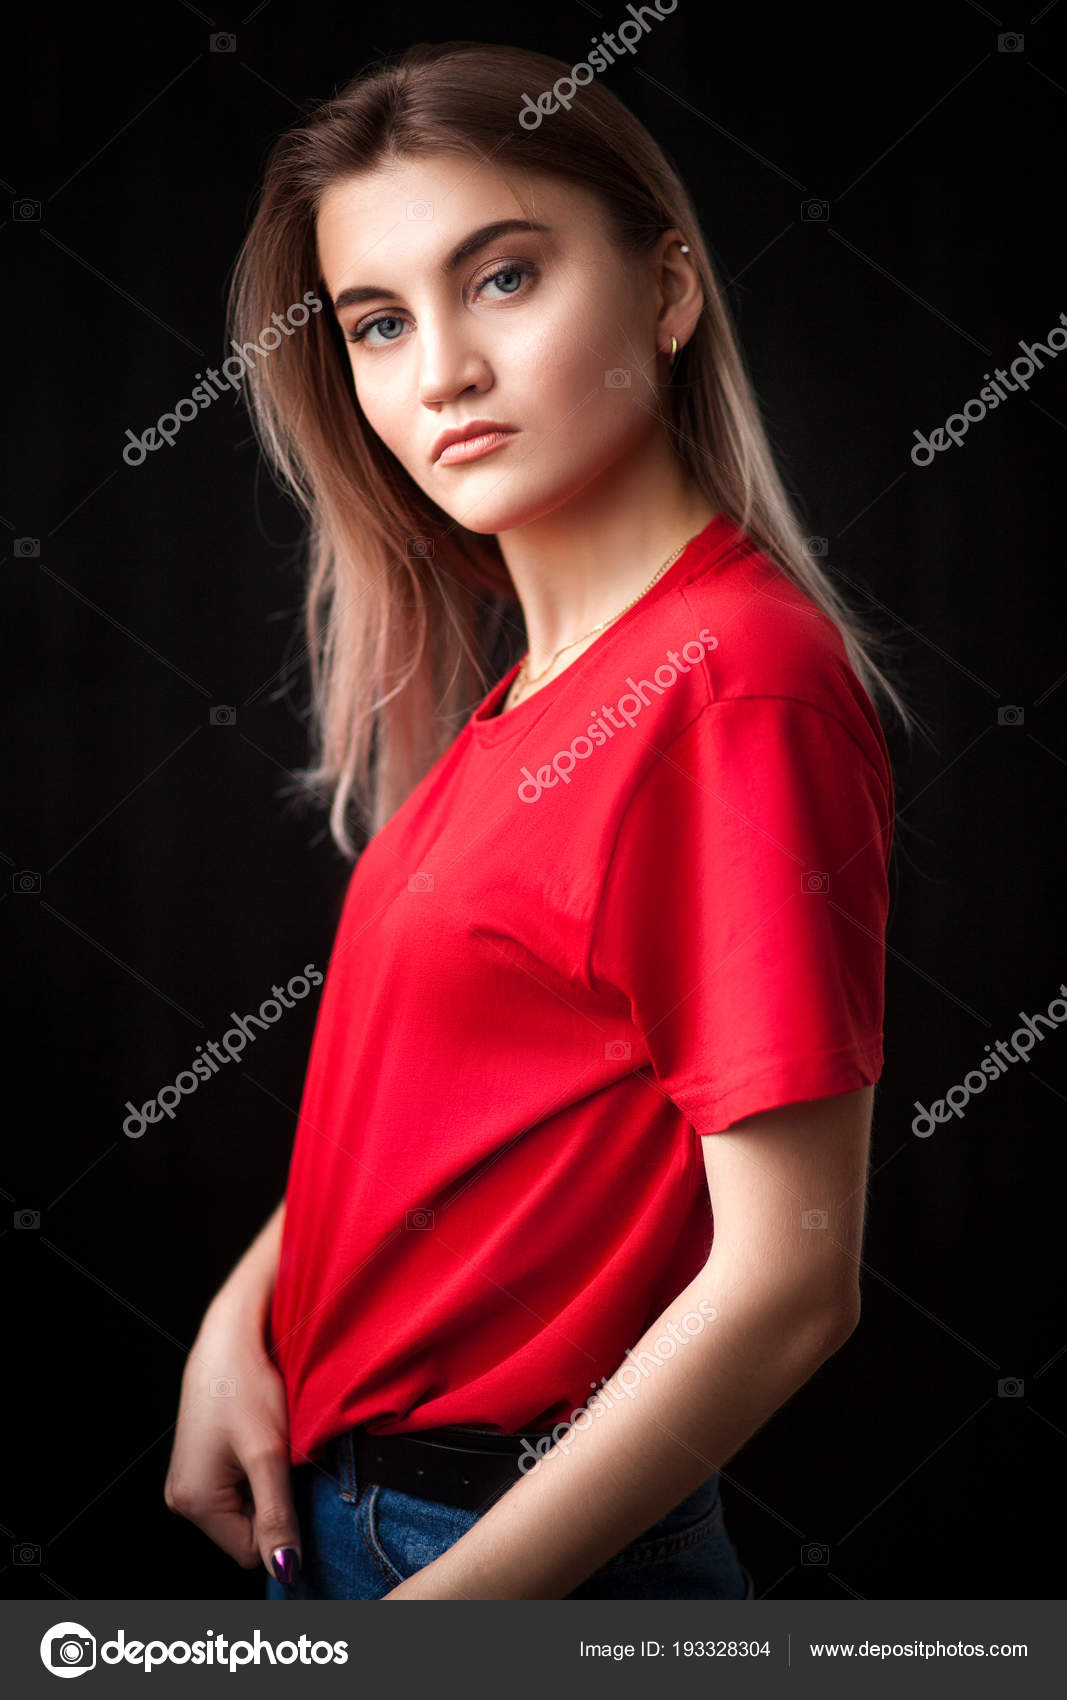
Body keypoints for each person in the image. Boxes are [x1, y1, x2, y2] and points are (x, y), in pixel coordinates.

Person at [164, 40, 918, 1602]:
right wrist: (247, 1318)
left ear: (668, 290)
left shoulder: (733, 683)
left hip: (504, 1559)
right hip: (359, 1510)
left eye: (502, 279)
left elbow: (791, 1280)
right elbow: (446, 1108)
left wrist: (452, 1627)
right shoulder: (534, 697)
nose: (438, 370)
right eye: (378, 322)